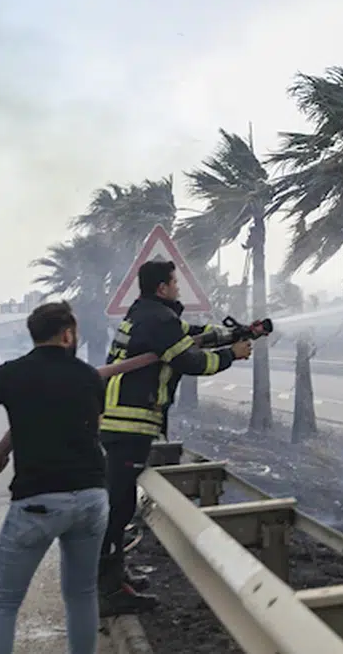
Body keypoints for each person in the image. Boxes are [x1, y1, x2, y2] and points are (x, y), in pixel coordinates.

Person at [0, 302, 108, 654]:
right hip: (92, 498)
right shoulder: (89, 377)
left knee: (3, 602)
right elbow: (93, 430)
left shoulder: (11, 374)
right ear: (68, 334)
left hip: (37, 502)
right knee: (81, 594)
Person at [98, 259, 251, 615]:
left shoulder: (145, 314)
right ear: (162, 287)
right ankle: (107, 592)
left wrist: (233, 332)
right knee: (117, 508)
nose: (178, 287)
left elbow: (191, 332)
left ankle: (114, 577)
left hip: (119, 422)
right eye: (174, 282)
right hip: (129, 424)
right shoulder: (159, 319)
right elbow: (193, 361)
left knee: (118, 504)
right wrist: (233, 354)